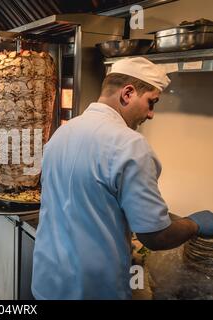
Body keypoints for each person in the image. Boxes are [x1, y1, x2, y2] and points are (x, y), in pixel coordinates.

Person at [32, 57, 213, 299]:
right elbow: (155, 236)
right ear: (128, 93)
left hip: (48, 281)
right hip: (92, 290)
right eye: (151, 102)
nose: (150, 114)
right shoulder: (130, 145)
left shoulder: (62, 133)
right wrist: (195, 223)